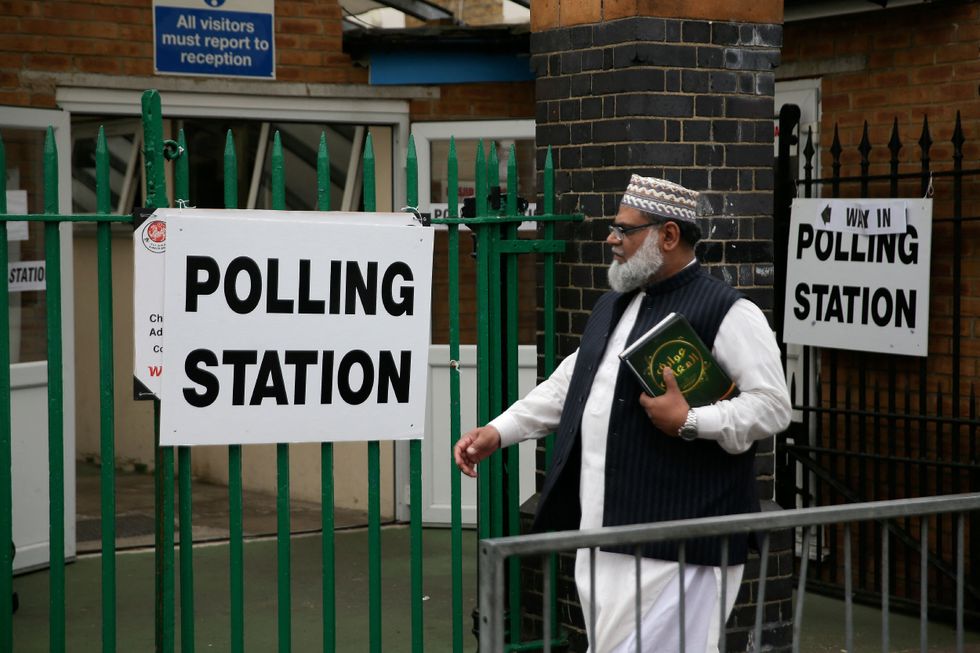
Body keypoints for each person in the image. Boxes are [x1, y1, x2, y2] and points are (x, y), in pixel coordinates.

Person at [454, 174, 792, 653]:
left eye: (624, 230)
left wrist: (693, 421)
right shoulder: (614, 304)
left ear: (668, 235)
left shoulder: (728, 311)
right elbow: (571, 383)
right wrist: (498, 431)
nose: (610, 239)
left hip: (679, 543)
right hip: (605, 534)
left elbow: (774, 406)